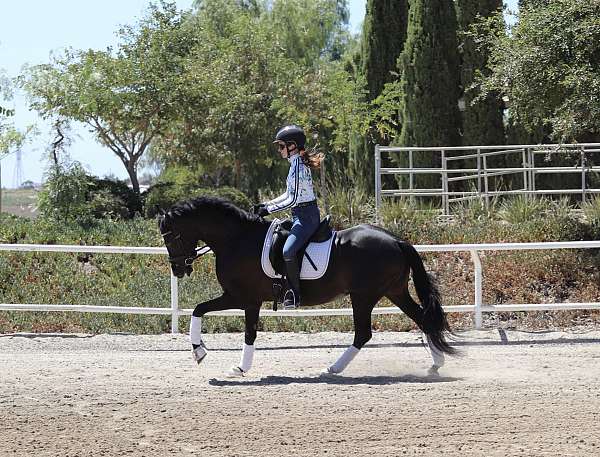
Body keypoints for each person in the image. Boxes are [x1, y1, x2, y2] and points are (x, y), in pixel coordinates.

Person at [254, 125, 323, 310]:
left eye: (281, 146)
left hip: (307, 217)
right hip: (300, 215)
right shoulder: (294, 165)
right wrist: (266, 205)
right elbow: (288, 194)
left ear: (292, 146)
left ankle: (295, 293)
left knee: (288, 251)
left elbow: (292, 200)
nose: (279, 150)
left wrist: (268, 211)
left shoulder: (299, 167)